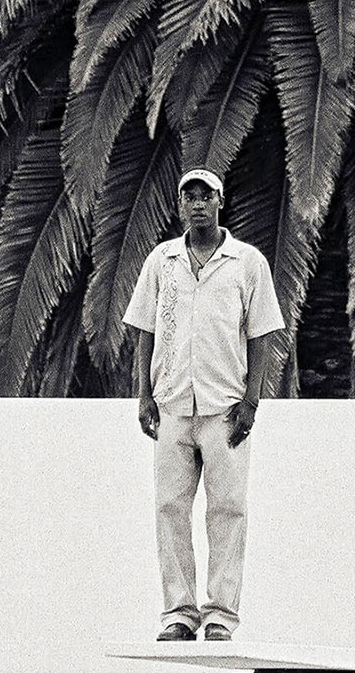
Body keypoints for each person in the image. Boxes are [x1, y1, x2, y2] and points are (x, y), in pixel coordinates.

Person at [122, 168, 285, 642]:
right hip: (172, 404)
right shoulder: (162, 261)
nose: (197, 204)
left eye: (205, 196)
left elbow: (262, 336)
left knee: (228, 509)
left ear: (220, 201)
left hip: (225, 407)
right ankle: (178, 612)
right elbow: (144, 330)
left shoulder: (246, 262)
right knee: (170, 508)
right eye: (188, 196)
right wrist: (144, 393)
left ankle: (220, 615)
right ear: (179, 206)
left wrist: (252, 402)